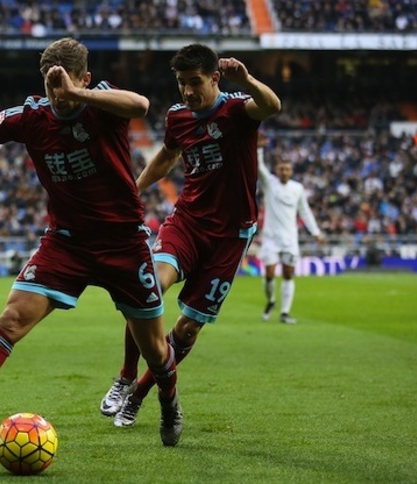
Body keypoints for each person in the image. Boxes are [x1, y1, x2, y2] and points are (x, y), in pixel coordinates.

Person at [0, 37, 183, 447]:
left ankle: (170, 403)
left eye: (66, 85)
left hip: (123, 244)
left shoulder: (102, 104)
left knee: (156, 352)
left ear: (85, 79)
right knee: (11, 320)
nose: (58, 96)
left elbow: (140, 106)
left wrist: (75, 92)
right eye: (52, 86)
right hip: (66, 244)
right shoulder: (32, 115)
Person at [99, 43, 281, 428]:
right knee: (145, 288)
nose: (187, 91)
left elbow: (271, 106)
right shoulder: (178, 116)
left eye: (194, 82)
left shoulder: (236, 110)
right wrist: (135, 189)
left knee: (187, 328)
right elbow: (168, 155)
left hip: (229, 238)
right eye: (181, 83)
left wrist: (246, 79)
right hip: (188, 222)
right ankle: (126, 376)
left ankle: (140, 394)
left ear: (215, 77)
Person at [257, 138, 324, 324]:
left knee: (288, 274)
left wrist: (315, 232)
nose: (284, 172)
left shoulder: (298, 188)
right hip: (270, 238)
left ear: (291, 171)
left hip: (290, 239)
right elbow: (259, 168)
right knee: (269, 275)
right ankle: (270, 300)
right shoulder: (269, 183)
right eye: (281, 169)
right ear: (277, 170)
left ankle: (285, 312)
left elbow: (305, 211)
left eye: (287, 169)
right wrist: (259, 149)